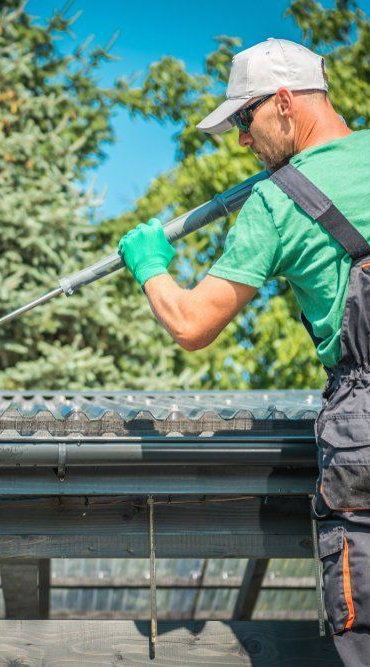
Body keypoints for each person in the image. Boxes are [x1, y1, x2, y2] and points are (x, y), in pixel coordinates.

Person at [118, 38, 370, 665]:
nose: (240, 140)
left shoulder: (278, 200)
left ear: (284, 103)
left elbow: (192, 323)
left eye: (243, 118)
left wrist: (150, 267)